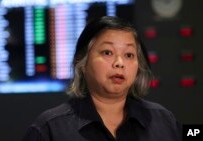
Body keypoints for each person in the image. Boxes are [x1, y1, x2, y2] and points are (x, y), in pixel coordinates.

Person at [23, 16, 182, 141]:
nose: (119, 63)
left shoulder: (164, 121)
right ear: (81, 62)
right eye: (107, 52)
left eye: (129, 55)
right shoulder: (49, 129)